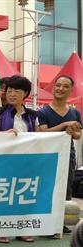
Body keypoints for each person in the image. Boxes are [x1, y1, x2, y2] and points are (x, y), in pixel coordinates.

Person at [0, 75, 42, 243]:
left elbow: (39, 137)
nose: (11, 94)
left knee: (23, 194)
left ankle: (22, 229)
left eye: (16, 91)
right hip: (4, 161)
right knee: (3, 195)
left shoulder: (32, 115)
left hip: (27, 161)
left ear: (25, 94)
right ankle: (1, 230)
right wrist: (3, 134)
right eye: (9, 90)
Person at [38, 75, 82, 235]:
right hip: (48, 158)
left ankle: (59, 224)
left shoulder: (75, 112)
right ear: (53, 87)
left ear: (70, 90)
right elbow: (43, 133)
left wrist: (72, 132)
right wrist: (64, 125)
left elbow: (77, 135)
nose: (60, 89)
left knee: (66, 191)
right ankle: (46, 223)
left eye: (65, 86)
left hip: (68, 157)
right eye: (58, 85)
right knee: (48, 189)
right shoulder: (43, 112)